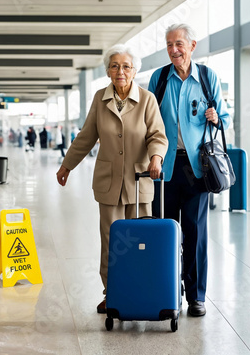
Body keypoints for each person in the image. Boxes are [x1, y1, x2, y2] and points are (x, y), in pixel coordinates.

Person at [56, 44, 168, 314]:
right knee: (112, 242)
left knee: (141, 241)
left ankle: (141, 291)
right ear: (107, 70)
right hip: (109, 184)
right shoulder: (100, 99)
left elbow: (157, 135)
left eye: (126, 66)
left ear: (135, 70)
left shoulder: (147, 99)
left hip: (139, 183)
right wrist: (67, 165)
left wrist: (156, 157)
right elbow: (86, 137)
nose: (121, 71)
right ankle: (113, 293)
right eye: (115, 66)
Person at [148, 23, 230, 317]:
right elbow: (149, 122)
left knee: (195, 233)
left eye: (179, 44)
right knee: (166, 231)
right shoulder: (159, 79)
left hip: (197, 168)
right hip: (166, 168)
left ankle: (196, 295)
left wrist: (217, 117)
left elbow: (226, 118)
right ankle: (167, 291)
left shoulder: (207, 77)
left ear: (192, 46)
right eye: (169, 45)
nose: (174, 50)